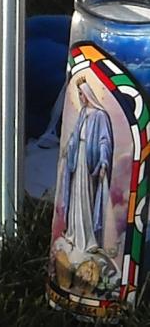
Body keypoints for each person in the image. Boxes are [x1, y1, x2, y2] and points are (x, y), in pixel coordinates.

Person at [60, 76, 113, 251]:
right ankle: (74, 234)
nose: (81, 98)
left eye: (82, 94)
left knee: (87, 198)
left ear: (89, 95)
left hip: (90, 163)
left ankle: (89, 239)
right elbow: (76, 134)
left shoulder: (100, 115)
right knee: (76, 196)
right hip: (78, 158)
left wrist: (104, 162)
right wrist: (68, 148)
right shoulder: (82, 113)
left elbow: (104, 141)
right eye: (79, 95)